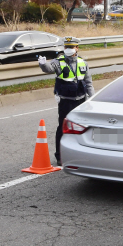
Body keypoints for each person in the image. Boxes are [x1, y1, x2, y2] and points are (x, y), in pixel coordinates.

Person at [38, 36, 95, 165]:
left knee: (82, 128)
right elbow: (49, 68)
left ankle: (80, 154)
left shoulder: (83, 62)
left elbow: (88, 83)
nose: (68, 49)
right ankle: (60, 156)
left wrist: (92, 100)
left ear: (77, 48)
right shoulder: (59, 61)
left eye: (71, 47)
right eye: (66, 47)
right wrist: (43, 64)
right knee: (63, 128)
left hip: (81, 100)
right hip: (66, 101)